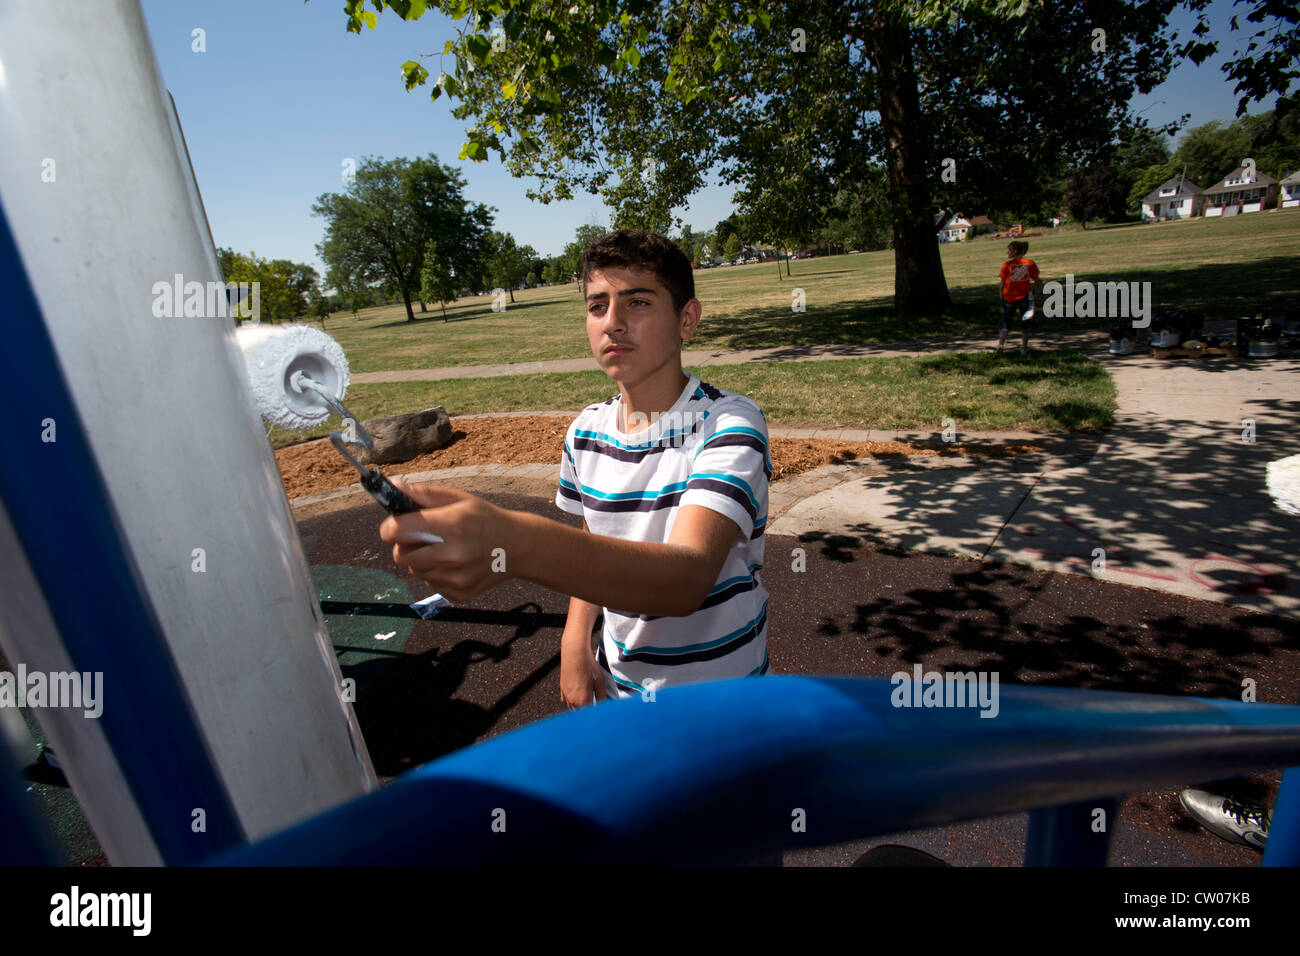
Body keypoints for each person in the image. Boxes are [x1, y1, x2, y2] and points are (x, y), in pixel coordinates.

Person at [379, 229, 771, 709]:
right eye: (597, 306)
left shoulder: (728, 423)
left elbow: (685, 581)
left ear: (687, 319)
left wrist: (516, 543)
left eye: (638, 303)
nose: (613, 323)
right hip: (620, 689)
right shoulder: (585, 432)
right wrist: (575, 637)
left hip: (726, 699)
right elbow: (594, 535)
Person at [997, 240, 1045, 355]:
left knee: (1006, 323)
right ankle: (1023, 348)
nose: (1007, 252)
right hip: (1025, 297)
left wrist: (1001, 294)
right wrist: (1045, 293)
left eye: (1009, 250)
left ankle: (1001, 345)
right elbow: (1037, 281)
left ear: (1014, 251)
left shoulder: (1006, 265)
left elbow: (1002, 283)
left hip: (1009, 297)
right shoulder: (1029, 264)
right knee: (1025, 323)